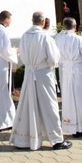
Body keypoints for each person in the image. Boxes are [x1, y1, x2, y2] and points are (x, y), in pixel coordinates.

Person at [9, 12, 71, 151]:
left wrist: (31, 64)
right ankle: (56, 139)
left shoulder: (24, 36)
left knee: (28, 104)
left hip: (30, 73)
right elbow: (54, 59)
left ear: (32, 21)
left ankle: (24, 138)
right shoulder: (45, 37)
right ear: (42, 22)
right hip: (43, 74)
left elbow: (22, 56)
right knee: (49, 106)